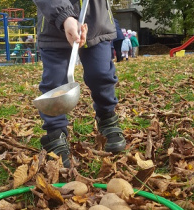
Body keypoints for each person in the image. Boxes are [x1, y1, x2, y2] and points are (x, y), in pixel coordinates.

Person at [32, 0, 126, 168]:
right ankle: (55, 132)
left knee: (101, 74)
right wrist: (64, 17)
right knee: (55, 81)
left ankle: (107, 118)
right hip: (52, 24)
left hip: (97, 21)